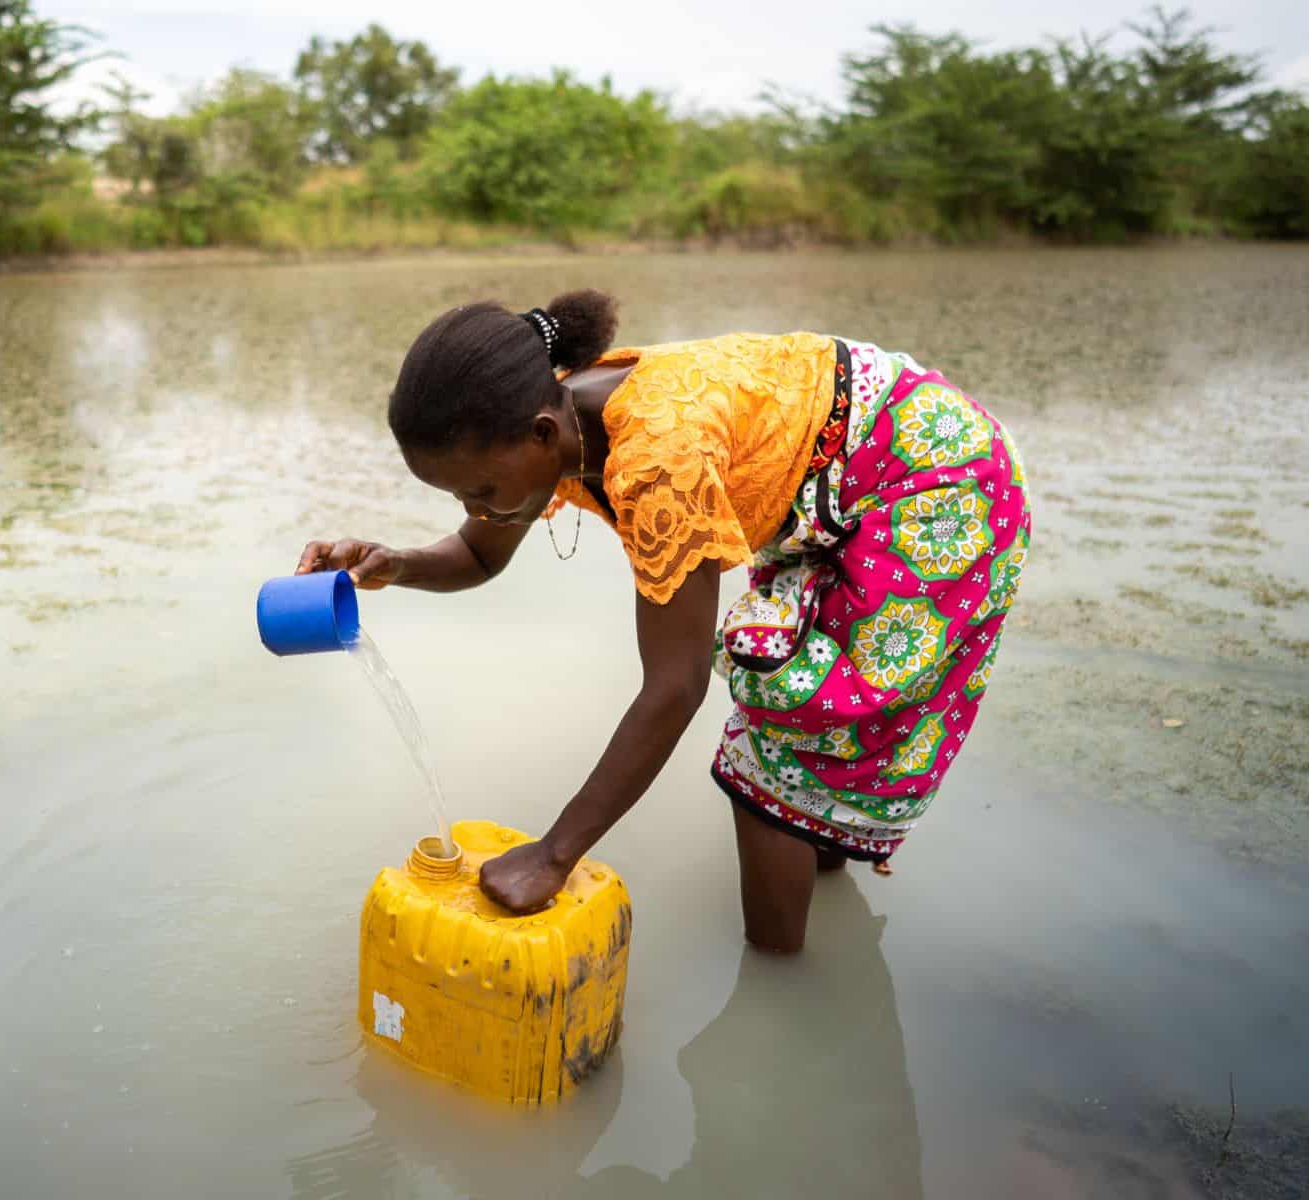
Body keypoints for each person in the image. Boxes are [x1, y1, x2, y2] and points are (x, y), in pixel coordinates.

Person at [296, 290, 1030, 952]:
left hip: (934, 480)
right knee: (795, 707)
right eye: (459, 496)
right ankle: (818, 859)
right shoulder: (554, 427)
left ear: (543, 434)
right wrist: (392, 563)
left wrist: (555, 854)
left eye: (483, 490)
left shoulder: (655, 458)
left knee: (778, 753)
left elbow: (674, 688)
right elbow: (478, 557)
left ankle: (779, 991)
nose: (476, 511)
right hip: (831, 487)